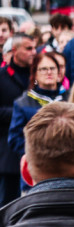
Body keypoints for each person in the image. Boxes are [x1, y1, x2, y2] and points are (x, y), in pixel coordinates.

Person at [7, 52, 65, 162]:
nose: (49, 72)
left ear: (58, 72)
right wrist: (41, 151)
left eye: (52, 68)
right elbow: (14, 139)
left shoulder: (70, 98)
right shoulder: (23, 103)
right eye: (43, 69)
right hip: (37, 165)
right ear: (35, 74)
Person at [0, 33, 34, 204]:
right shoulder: (2, 76)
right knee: (7, 203)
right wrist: (20, 113)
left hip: (35, 150)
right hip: (7, 152)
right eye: (28, 48)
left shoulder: (37, 75)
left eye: (34, 48)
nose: (33, 52)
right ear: (14, 50)